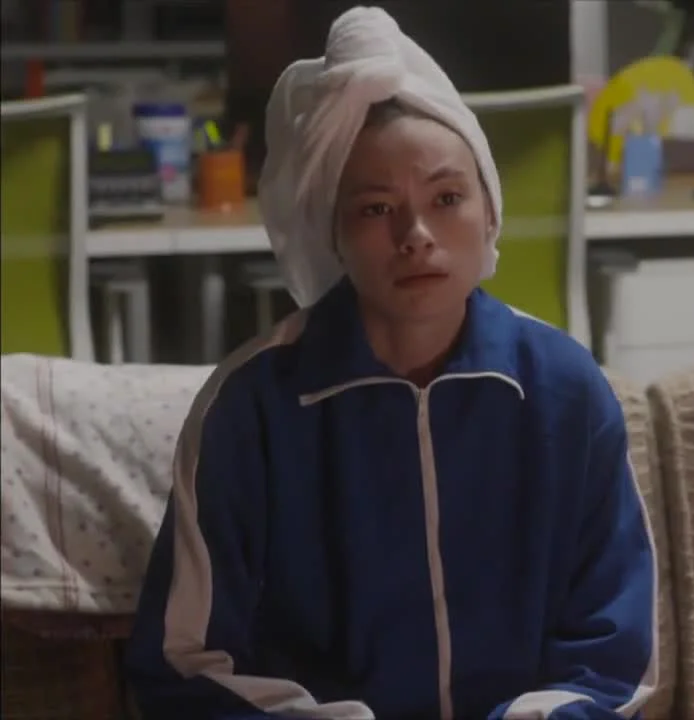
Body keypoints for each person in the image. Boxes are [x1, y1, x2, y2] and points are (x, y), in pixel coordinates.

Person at [124, 7, 658, 720]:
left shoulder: (565, 391)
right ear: (332, 232)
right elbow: (183, 664)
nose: (417, 235)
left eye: (447, 198)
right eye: (376, 209)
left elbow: (614, 659)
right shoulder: (251, 410)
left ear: (490, 213)